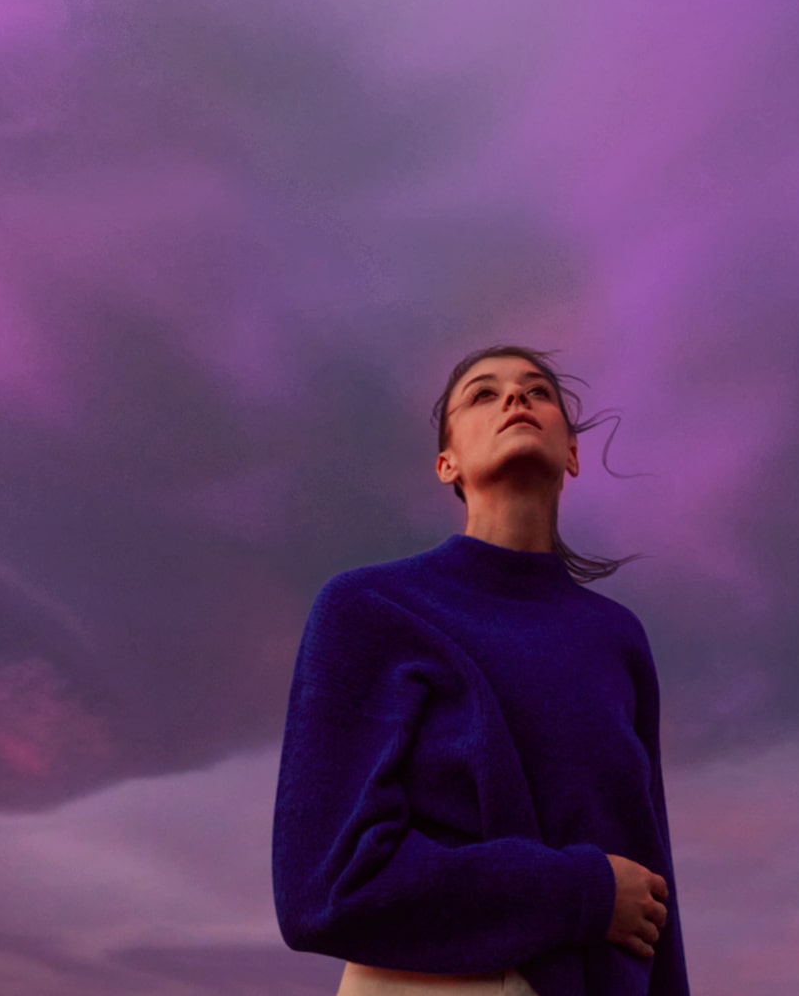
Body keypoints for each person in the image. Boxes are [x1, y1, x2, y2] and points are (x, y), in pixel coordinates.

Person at [273, 344, 690, 995]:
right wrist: (582, 892)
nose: (516, 399)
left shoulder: (617, 639)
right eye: (483, 394)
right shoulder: (370, 610)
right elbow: (327, 883)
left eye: (537, 391)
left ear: (574, 453)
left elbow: (651, 887)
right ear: (449, 464)